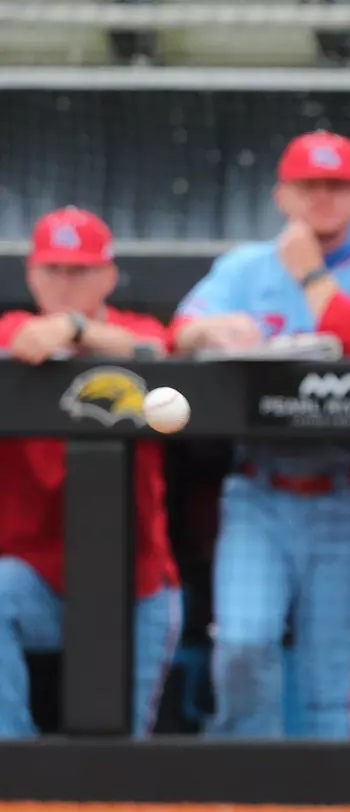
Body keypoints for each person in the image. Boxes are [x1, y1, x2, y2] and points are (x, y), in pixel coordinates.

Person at [172, 131, 350, 739]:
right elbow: (182, 329)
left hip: (348, 488)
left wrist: (311, 275)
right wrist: (212, 329)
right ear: (281, 194)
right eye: (308, 186)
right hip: (260, 489)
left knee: (330, 686)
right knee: (243, 643)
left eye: (337, 185)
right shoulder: (246, 267)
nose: (322, 198)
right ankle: (243, 808)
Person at [0, 207, 182, 737]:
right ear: (31, 275)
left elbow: (157, 350)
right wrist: (43, 337)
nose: (63, 284)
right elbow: (18, 338)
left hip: (138, 584)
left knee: (122, 755)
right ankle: (13, 770)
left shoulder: (136, 331)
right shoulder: (13, 329)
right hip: (38, 579)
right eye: (52, 270)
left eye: (79, 271)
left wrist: (79, 329)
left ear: (106, 275)